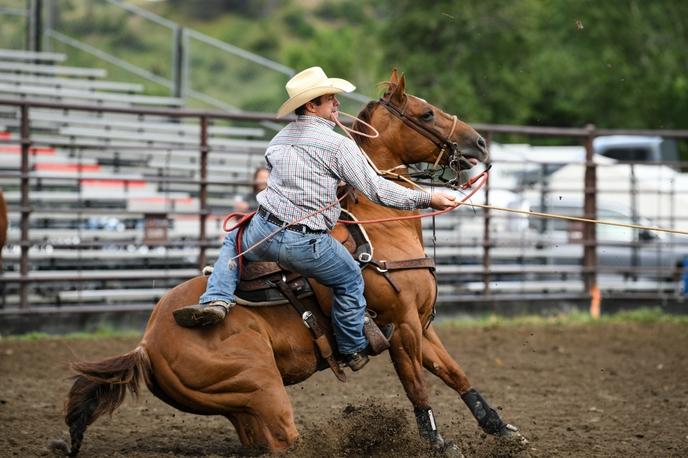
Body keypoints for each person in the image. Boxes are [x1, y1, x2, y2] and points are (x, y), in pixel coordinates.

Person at [173, 66, 460, 371]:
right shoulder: (338, 145)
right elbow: (376, 190)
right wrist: (429, 197)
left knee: (233, 240)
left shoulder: (278, 141)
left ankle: (216, 299)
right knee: (350, 277)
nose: (337, 104)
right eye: (330, 99)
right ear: (312, 105)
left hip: (263, 230)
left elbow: (293, 178)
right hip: (306, 242)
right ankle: (351, 347)